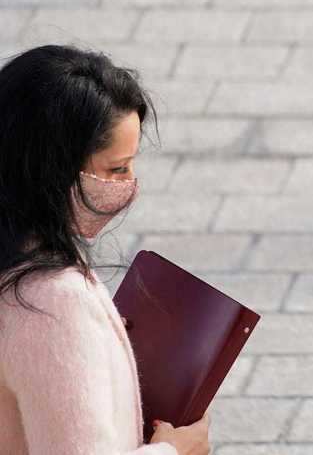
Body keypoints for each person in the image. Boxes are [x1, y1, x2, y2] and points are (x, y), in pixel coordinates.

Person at [0, 45, 211, 455]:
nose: (130, 184)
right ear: (52, 169)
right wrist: (173, 450)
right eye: (116, 169)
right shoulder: (50, 302)